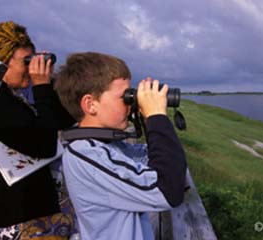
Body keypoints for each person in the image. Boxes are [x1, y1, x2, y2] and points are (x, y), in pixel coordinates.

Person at [54, 52, 187, 240]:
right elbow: (168, 191)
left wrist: (150, 119)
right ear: (91, 104)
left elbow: (169, 162)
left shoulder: (107, 146)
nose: (130, 104)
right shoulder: (87, 154)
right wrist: (156, 116)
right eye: (124, 97)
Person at [0, 21, 75, 239]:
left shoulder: (17, 96)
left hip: (39, 210)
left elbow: (62, 119)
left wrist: (48, 83)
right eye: (26, 61)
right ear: (1, 63)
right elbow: (45, 144)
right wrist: (40, 87)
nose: (30, 68)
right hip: (18, 217)